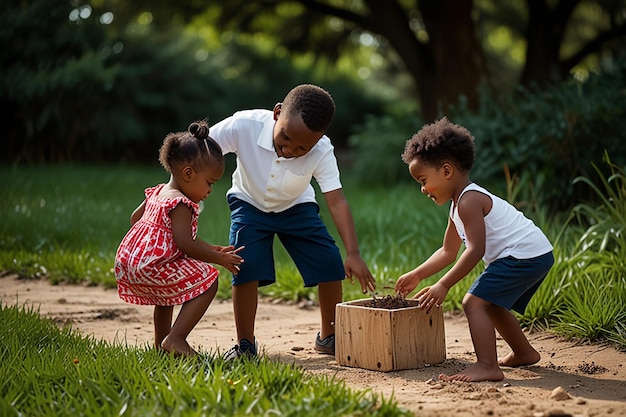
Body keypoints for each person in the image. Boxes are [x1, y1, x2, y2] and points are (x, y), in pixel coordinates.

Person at [209, 84, 376, 359]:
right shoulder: (244, 125)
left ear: (319, 138)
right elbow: (197, 149)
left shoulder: (321, 150)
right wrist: (167, 192)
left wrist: (354, 253)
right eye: (285, 138)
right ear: (277, 114)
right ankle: (245, 345)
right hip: (249, 204)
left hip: (297, 207)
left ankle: (329, 336)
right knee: (244, 264)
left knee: (329, 261)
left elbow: (336, 200)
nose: (289, 150)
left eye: (302, 148)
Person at [395, 117, 554, 382]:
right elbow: (448, 250)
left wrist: (443, 285)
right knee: (490, 304)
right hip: (534, 254)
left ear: (446, 171)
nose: (423, 190)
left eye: (423, 180)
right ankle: (524, 353)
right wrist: (419, 274)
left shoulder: (469, 200)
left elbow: (475, 250)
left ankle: (487, 365)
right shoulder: (457, 205)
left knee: (473, 302)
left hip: (523, 255)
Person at [114, 121, 245, 357]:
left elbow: (136, 219)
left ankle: (161, 345)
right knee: (209, 280)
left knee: (167, 296)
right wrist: (217, 258)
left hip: (132, 263)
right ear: (188, 173)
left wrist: (212, 248)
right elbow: (185, 244)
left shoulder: (158, 192)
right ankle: (176, 338)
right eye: (209, 183)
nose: (210, 191)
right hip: (153, 265)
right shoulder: (180, 203)